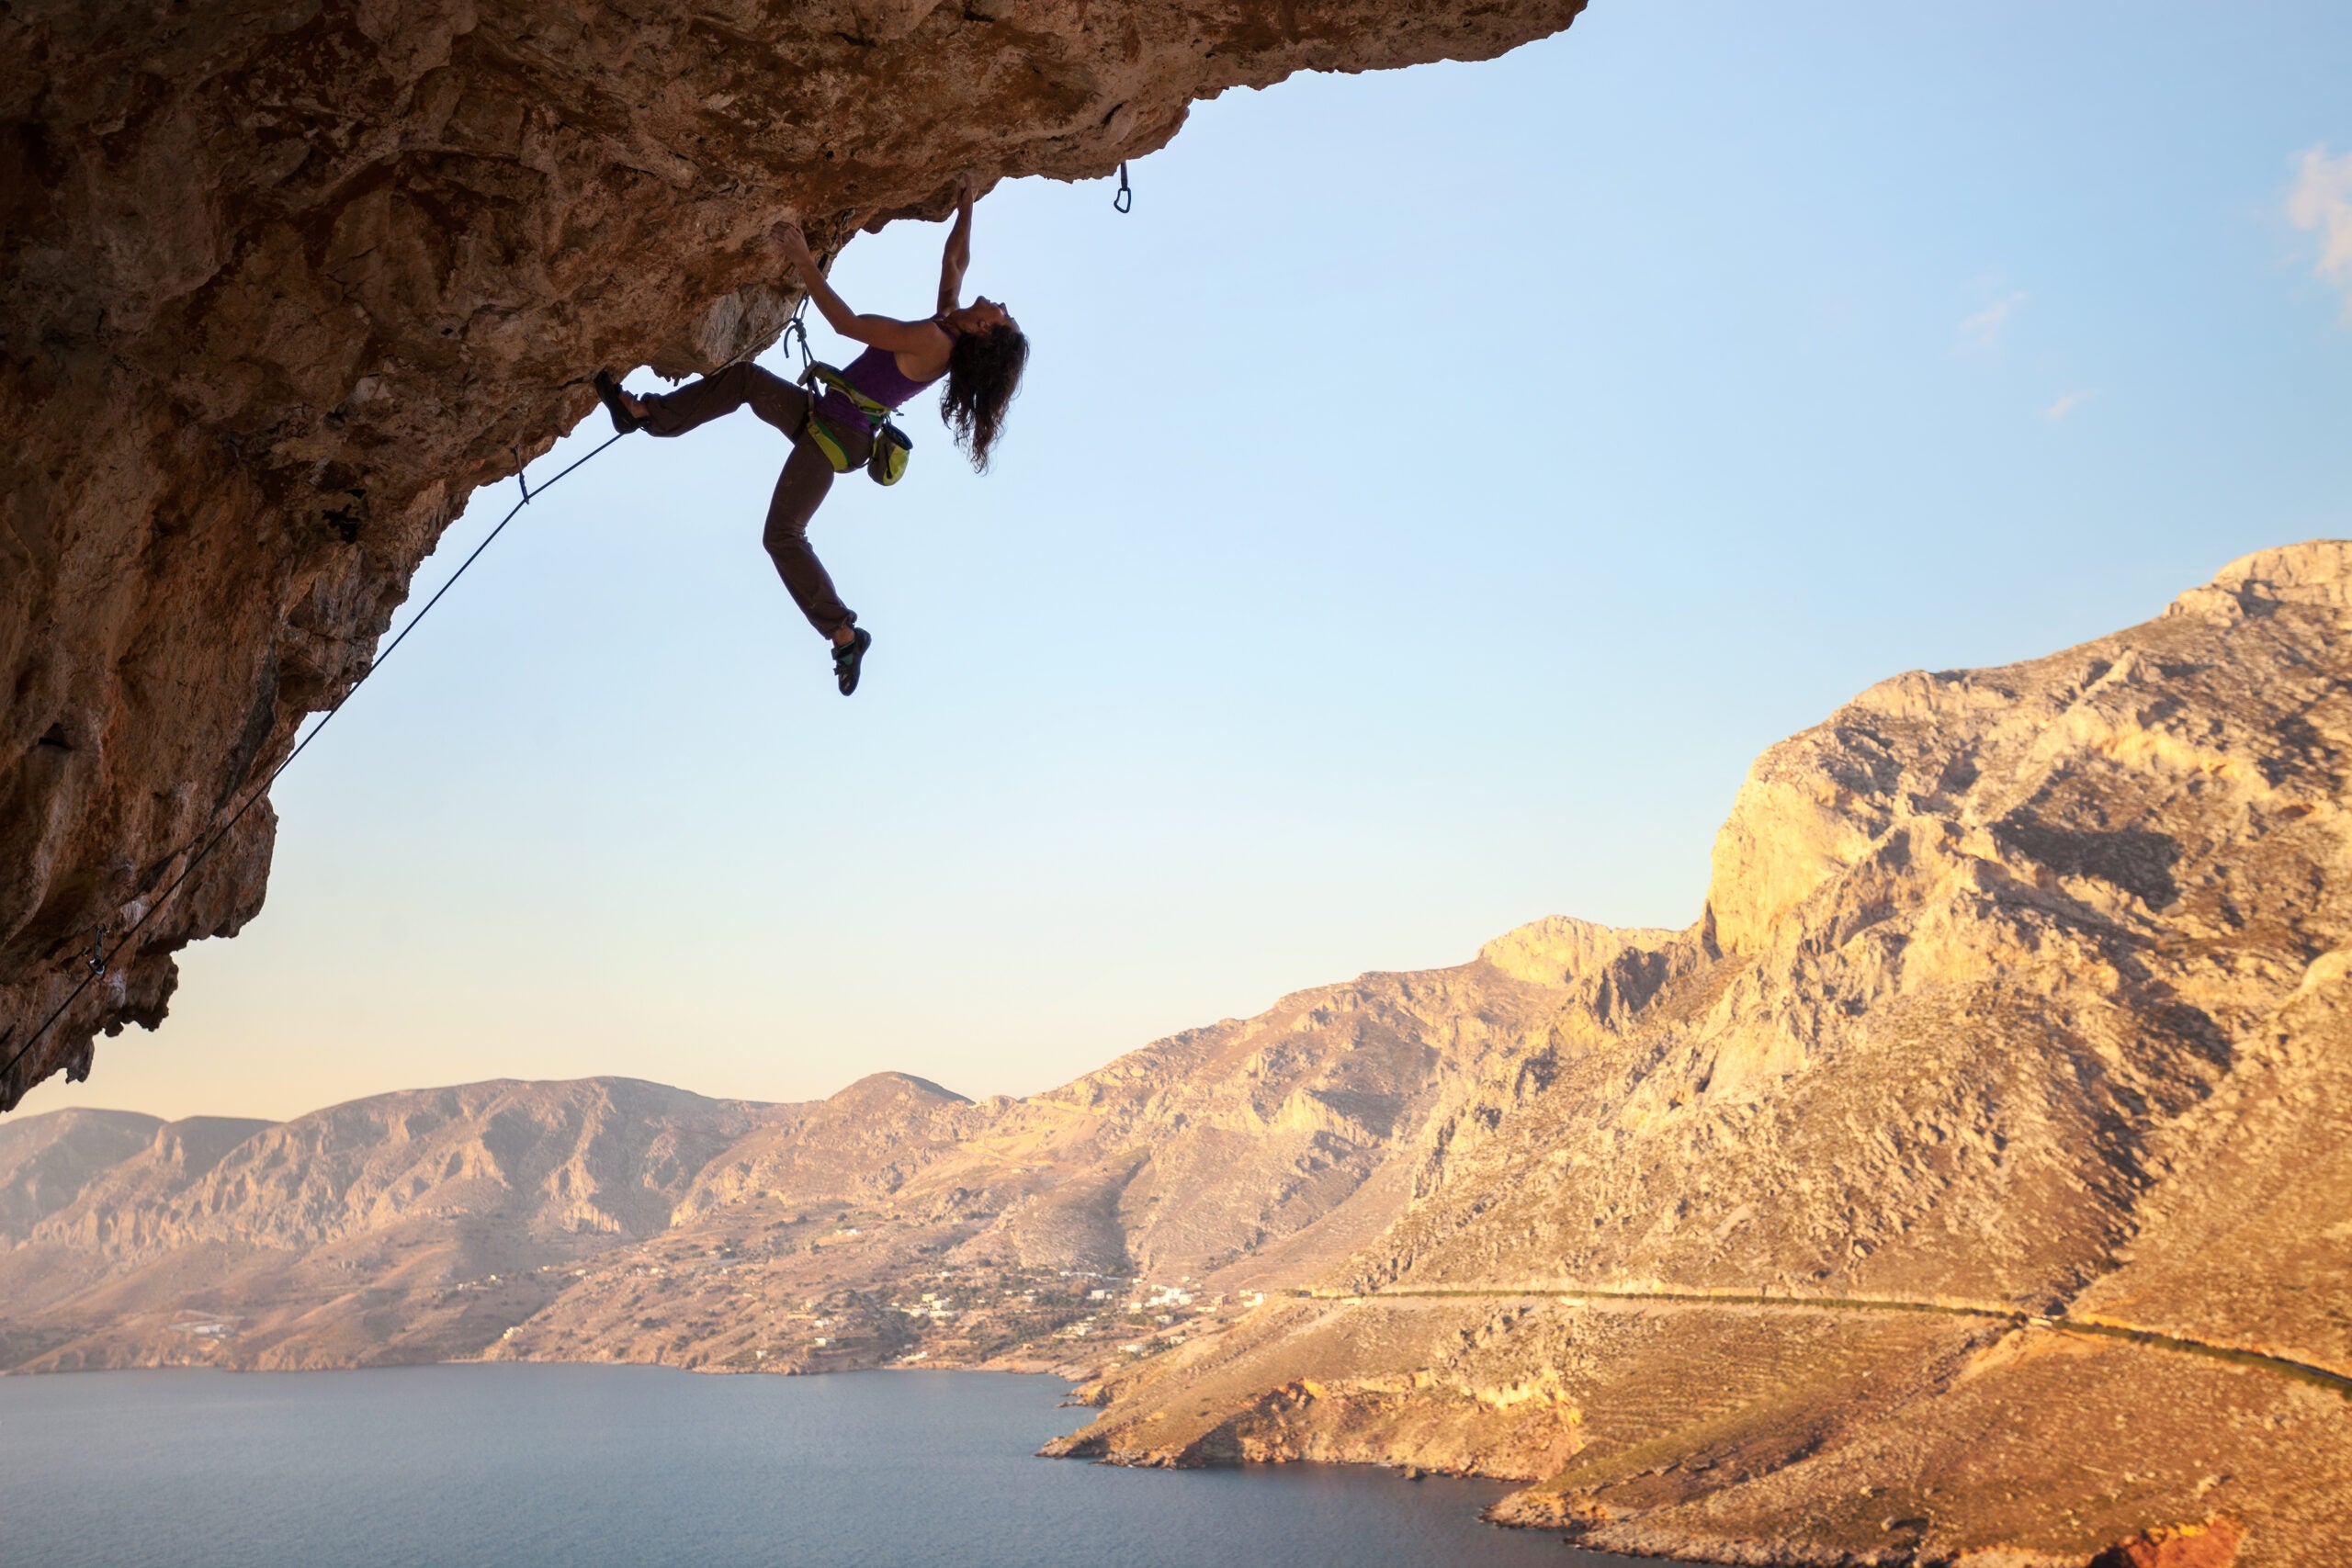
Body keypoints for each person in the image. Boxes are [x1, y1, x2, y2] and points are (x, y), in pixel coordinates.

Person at [593, 179, 1029, 694]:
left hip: (837, 438)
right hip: (827, 417)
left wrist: (803, 260)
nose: (1000, 304)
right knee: (745, 382)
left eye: (1004, 315)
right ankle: (645, 415)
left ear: (985, 331)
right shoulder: (949, 325)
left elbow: (846, 324)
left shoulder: (932, 340)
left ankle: (843, 632)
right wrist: (967, 209)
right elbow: (955, 264)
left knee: (781, 535)